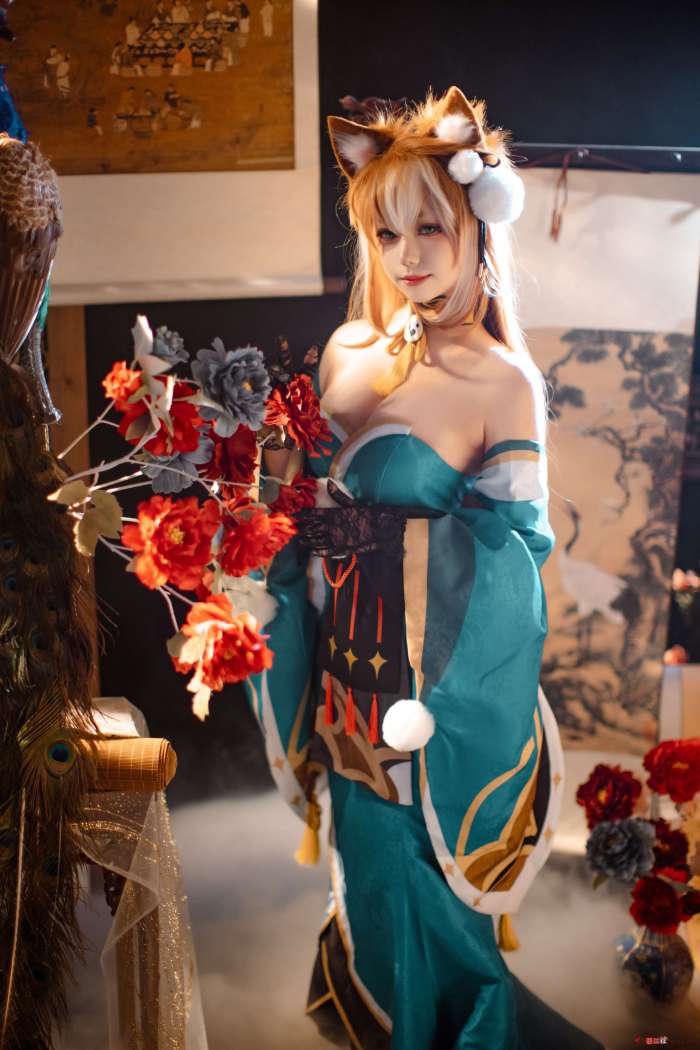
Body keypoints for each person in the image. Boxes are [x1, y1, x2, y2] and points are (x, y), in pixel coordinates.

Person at [247, 87, 604, 1049]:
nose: (407, 256)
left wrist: (376, 537)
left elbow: (516, 553)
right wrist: (258, 527)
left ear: (475, 227)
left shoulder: (502, 381)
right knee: (365, 879)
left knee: (435, 899)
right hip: (342, 676)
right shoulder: (346, 350)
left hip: (432, 697)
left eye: (430, 229)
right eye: (386, 233)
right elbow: (301, 512)